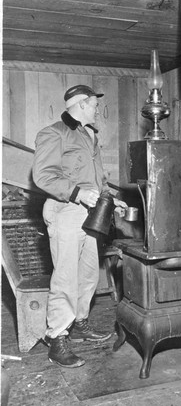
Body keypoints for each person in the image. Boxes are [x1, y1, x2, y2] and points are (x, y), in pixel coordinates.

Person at [32, 85, 127, 368]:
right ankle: (57, 337)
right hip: (66, 211)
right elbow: (44, 175)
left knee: (88, 274)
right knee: (65, 276)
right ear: (83, 105)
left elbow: (99, 179)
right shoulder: (53, 133)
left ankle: (81, 323)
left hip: (91, 213)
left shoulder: (90, 135)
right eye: (95, 105)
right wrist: (77, 193)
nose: (98, 109)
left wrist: (113, 200)